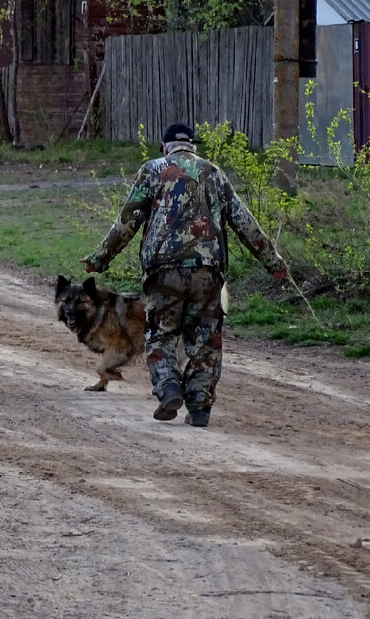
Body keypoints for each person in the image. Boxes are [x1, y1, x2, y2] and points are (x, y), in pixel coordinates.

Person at [82, 122, 288, 428]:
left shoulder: (153, 170)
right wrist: (274, 262)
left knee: (161, 333)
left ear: (166, 148)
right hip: (208, 270)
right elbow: (244, 221)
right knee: (206, 339)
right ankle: (201, 406)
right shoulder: (214, 173)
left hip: (164, 271)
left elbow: (127, 221)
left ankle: (169, 388)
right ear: (193, 147)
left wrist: (100, 259)